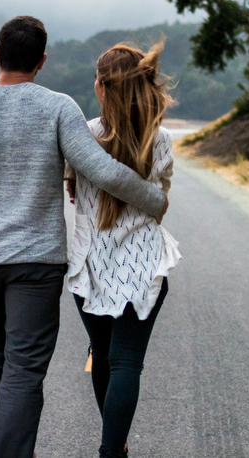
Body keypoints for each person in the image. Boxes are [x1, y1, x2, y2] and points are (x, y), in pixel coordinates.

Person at [0, 16, 169, 458]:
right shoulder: (57, 107)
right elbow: (103, 171)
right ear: (42, 62)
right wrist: (153, 200)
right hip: (35, 266)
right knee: (23, 370)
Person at [65, 41, 182, 458]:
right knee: (128, 360)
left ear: (101, 87)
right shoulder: (162, 138)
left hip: (91, 267)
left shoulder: (83, 137)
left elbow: (73, 191)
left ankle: (116, 445)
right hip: (144, 265)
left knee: (103, 356)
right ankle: (112, 449)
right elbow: (161, 200)